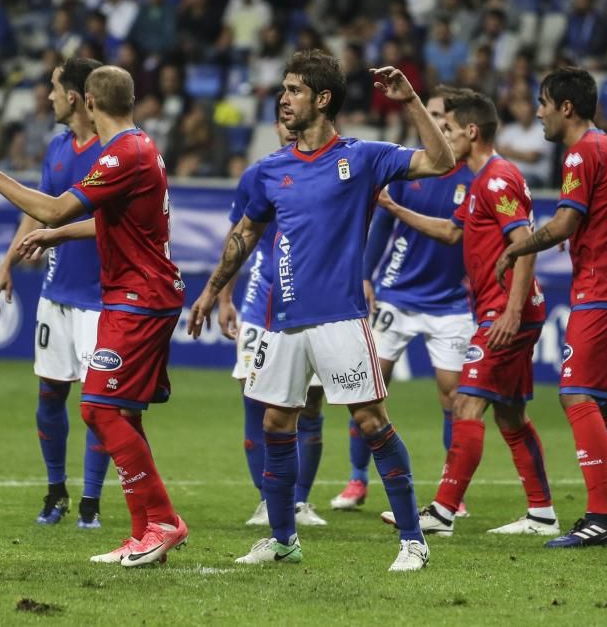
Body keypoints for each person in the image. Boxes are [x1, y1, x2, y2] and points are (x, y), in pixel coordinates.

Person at [188, 49, 456, 571]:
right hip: (283, 320)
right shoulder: (269, 170)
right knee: (276, 423)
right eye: (283, 89)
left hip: (341, 317)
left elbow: (441, 161)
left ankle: (412, 541)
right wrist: (210, 291)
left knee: (373, 421)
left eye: (292, 90)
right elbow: (244, 235)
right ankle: (283, 538)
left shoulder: (362, 157)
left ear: (322, 98)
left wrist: (412, 102)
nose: (283, 99)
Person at [0, 65, 189, 567]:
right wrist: (58, 236)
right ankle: (148, 530)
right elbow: (112, 224)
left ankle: (162, 523)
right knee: (117, 411)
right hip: (134, 294)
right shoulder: (139, 147)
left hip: (138, 296)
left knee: (99, 409)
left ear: (88, 102)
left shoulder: (122, 154)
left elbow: (54, 208)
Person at [374, 89, 561, 538]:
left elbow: (526, 243)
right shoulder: (479, 181)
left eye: (450, 129)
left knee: (465, 402)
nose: (444, 136)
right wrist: (394, 208)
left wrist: (512, 312)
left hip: (505, 312)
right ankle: (542, 513)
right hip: (501, 309)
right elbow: (452, 232)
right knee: (510, 416)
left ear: (472, 132)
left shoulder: (497, 180)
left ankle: (442, 512)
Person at [495, 67, 607, 548]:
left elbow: (566, 222)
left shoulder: (582, 152)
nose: (540, 112)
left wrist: (518, 247)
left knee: (577, 396)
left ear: (566, 107)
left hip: (602, 288)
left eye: (543, 102)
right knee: (602, 408)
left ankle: (600, 517)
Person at [328, 87, 475, 514]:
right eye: (427, 114)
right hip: (397, 292)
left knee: (453, 396)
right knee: (368, 389)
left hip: (450, 301)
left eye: (438, 115)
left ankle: (453, 493)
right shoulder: (414, 168)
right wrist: (367, 274)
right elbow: (382, 226)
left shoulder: (473, 175)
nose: (432, 122)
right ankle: (357, 481)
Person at [0, 58, 109, 529]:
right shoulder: (58, 148)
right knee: (50, 394)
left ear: (76, 96)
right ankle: (56, 491)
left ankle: (91, 504)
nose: (49, 96)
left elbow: (106, 221)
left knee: (99, 406)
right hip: (56, 295)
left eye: (55, 88)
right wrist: (6, 264)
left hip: (100, 300)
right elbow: (38, 210)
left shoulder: (112, 152)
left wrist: (54, 231)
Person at [217, 95, 328, 529]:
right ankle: (267, 499)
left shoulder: (328, 170)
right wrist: (224, 296)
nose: (290, 127)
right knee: (254, 395)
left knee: (312, 403)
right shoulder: (259, 173)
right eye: (282, 122)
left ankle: (300, 501)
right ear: (278, 128)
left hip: (314, 302)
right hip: (261, 300)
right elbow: (238, 236)